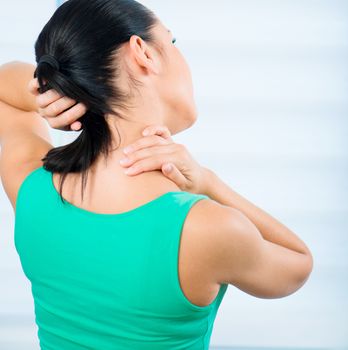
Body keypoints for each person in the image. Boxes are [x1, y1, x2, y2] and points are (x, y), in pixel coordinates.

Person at [0, 0, 313, 349]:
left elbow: (4, 89)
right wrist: (208, 182)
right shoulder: (207, 227)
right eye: (172, 41)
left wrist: (48, 92)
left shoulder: (31, 189)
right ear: (142, 52)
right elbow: (298, 264)